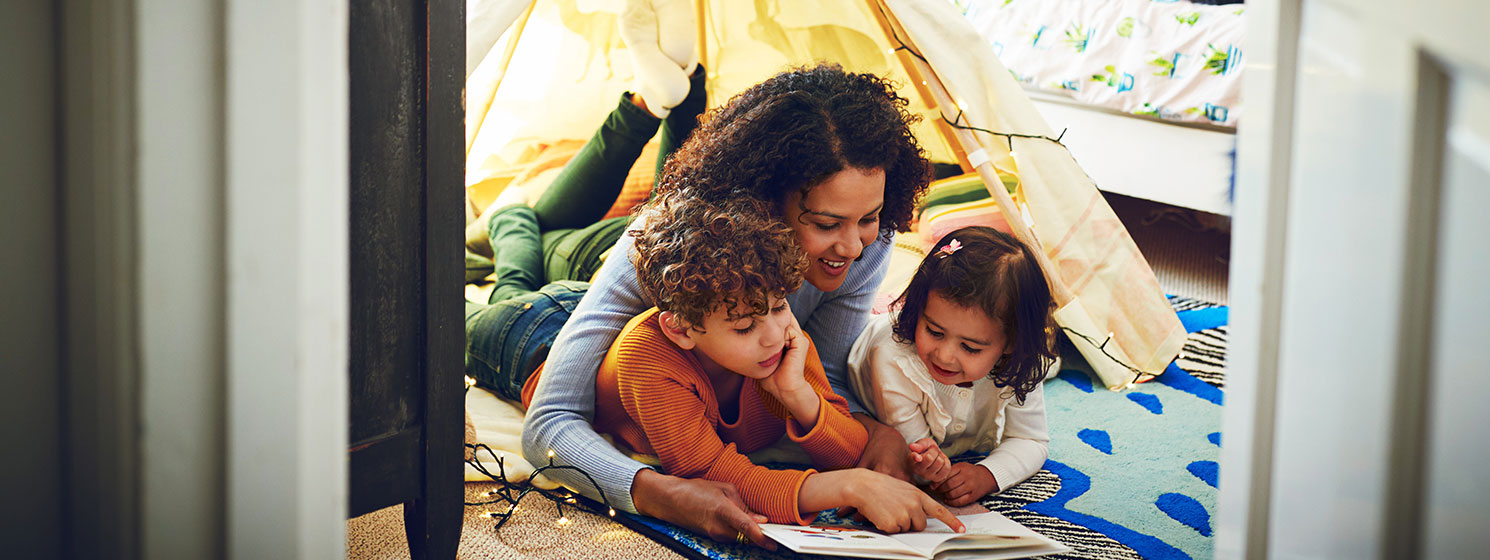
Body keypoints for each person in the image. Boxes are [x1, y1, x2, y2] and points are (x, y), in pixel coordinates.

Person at [506, 0, 935, 546]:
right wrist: (661, 492)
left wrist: (869, 436)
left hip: (670, 368)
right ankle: (512, 219)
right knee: (527, 256)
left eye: (869, 219)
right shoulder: (660, 243)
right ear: (764, 201)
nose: (852, 246)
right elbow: (549, 424)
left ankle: (669, 93)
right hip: (554, 312)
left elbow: (816, 378)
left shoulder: (863, 243)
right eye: (827, 223)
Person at [507, 192, 960, 531]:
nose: (772, 337)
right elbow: (711, 475)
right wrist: (846, 487)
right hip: (533, 341)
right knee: (487, 298)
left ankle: (517, 225)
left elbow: (849, 449)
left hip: (607, 326)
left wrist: (799, 396)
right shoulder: (651, 358)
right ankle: (512, 218)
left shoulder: (783, 339)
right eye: (744, 327)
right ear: (682, 329)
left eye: (781, 306)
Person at [846, 226, 1057, 506]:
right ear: (918, 310)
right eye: (934, 331)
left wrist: (987, 474)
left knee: (1044, 364)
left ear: (1011, 343)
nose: (944, 356)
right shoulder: (893, 360)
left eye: (969, 347)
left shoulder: (1022, 361)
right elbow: (914, 458)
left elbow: (1032, 440)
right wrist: (926, 464)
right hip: (869, 357)